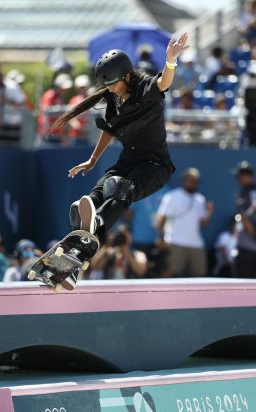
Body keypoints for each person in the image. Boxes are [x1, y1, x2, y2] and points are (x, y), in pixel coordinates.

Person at [50, 33, 189, 289]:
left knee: (119, 189)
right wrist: (92, 160)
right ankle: (70, 263)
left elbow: (163, 82)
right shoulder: (114, 100)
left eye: (114, 84)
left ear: (126, 77)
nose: (111, 89)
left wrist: (170, 61)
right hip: (127, 162)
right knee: (94, 196)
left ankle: (98, 222)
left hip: (154, 166)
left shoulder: (146, 89)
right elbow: (110, 130)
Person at [156, 168, 214, 277]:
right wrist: (160, 238)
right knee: (169, 272)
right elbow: (162, 218)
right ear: (184, 181)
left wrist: (209, 212)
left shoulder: (200, 199)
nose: (193, 183)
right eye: (190, 180)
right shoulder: (172, 196)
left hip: (196, 243)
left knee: (200, 274)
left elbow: (203, 224)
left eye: (195, 181)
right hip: (175, 241)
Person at [234, 160, 256, 277]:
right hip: (249, 243)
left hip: (249, 244)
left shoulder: (244, 192)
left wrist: (253, 233)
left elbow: (243, 216)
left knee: (245, 281)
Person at [38, 73, 73, 142]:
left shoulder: (60, 97)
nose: (65, 90)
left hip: (57, 134)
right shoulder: (49, 95)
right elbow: (45, 111)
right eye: (63, 88)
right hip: (47, 135)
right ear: (57, 86)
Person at [68, 74, 91, 145]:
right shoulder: (73, 100)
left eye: (84, 87)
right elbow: (70, 118)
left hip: (90, 137)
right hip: (76, 137)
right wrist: (79, 127)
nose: (82, 89)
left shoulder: (93, 99)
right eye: (80, 87)